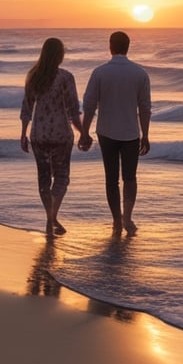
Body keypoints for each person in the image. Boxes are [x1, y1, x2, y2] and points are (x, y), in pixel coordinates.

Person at [78, 31, 151, 235]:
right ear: (128, 47)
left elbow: (89, 104)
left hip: (106, 131)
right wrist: (145, 134)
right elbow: (145, 107)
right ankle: (127, 217)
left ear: (110, 46)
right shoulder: (139, 73)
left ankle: (116, 220)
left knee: (111, 179)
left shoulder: (100, 72)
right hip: (130, 132)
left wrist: (84, 132)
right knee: (130, 177)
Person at [20, 37, 83, 239]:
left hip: (38, 133)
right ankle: (51, 217)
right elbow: (73, 110)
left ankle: (50, 217)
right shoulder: (65, 77)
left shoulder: (34, 76)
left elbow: (27, 107)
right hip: (61, 134)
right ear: (60, 55)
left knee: (44, 178)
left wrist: (23, 134)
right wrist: (83, 132)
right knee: (62, 177)